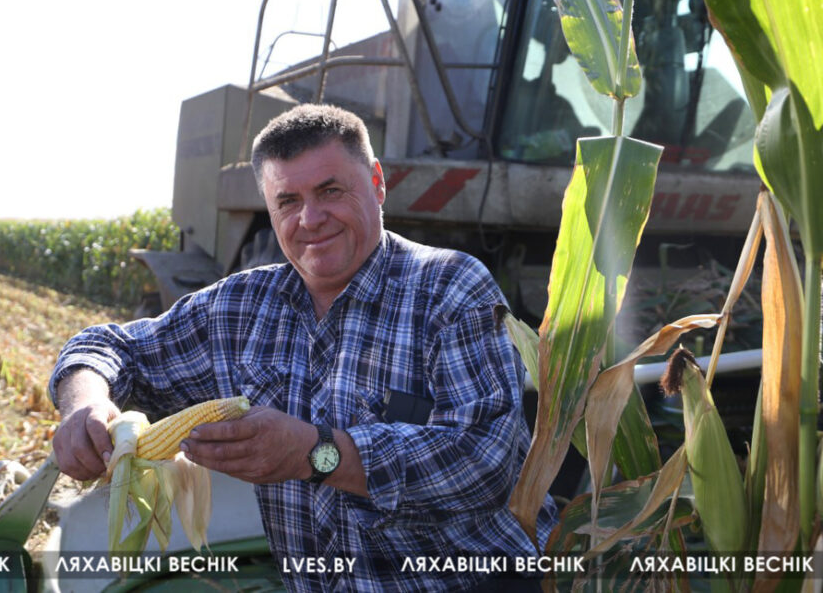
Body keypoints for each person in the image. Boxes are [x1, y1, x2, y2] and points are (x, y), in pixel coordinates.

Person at [49, 104, 558, 591]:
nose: (310, 219)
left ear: (377, 183)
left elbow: (484, 464)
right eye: (288, 201)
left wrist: (316, 453)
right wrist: (84, 404)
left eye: (330, 190)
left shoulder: (450, 288)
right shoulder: (240, 308)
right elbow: (106, 346)